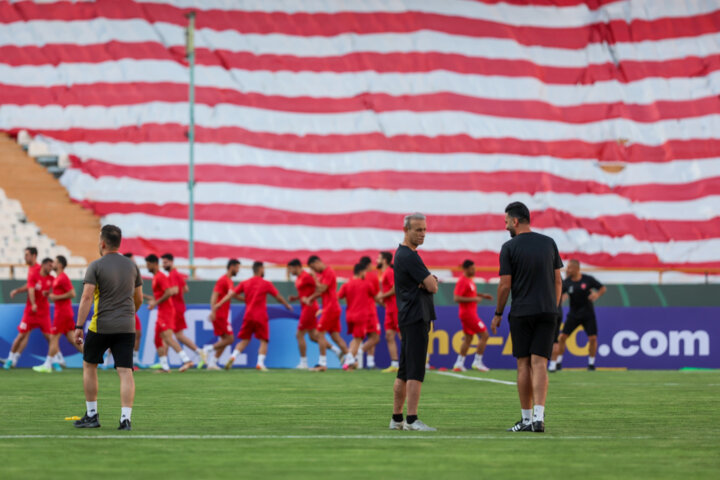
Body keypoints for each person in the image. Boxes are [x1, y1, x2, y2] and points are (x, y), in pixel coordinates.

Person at [491, 202, 562, 433]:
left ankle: (526, 419)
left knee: (523, 364)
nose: (505, 227)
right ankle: (539, 418)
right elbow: (557, 280)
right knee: (540, 363)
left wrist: (498, 313)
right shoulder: (549, 243)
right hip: (548, 310)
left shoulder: (509, 247)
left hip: (522, 311)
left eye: (506, 222)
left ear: (515, 221)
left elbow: (504, 286)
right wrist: (554, 305)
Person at [73, 225, 143, 430]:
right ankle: (125, 419)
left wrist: (78, 326)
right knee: (125, 371)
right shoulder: (132, 266)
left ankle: (92, 415)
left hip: (101, 325)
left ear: (103, 243)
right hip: (126, 325)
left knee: (89, 365)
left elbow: (86, 297)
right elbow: (138, 298)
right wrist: (129, 315)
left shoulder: (96, 266)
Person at [390, 213, 438, 432]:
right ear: (405, 230)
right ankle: (411, 420)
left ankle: (397, 418)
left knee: (404, 370)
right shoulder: (409, 256)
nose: (423, 234)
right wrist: (429, 281)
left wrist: (428, 282)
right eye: (418, 229)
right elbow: (433, 286)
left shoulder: (403, 255)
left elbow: (428, 283)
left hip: (408, 316)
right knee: (415, 370)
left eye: (425, 229)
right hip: (416, 316)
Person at [223, 261, 293, 371]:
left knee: (244, 340)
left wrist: (219, 304)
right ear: (260, 269)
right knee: (264, 340)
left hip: (248, 315)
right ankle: (260, 363)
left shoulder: (245, 283)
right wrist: (287, 305)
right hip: (260, 315)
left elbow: (232, 294)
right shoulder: (266, 283)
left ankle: (233, 356)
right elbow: (278, 296)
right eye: (263, 269)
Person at [550, 259, 606, 372]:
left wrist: (596, 295)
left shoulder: (588, 279)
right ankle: (559, 362)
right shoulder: (567, 282)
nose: (568, 269)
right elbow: (561, 294)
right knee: (562, 337)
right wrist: (561, 299)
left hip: (588, 314)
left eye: (570, 267)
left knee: (593, 338)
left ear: (576, 268)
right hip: (574, 315)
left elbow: (602, 288)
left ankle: (591, 364)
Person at [144, 254, 194, 373]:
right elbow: (161, 294)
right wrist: (146, 297)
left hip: (167, 310)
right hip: (162, 309)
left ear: (154, 264)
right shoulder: (156, 277)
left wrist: (155, 303)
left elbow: (169, 292)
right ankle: (165, 367)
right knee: (157, 338)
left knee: (167, 337)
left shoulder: (161, 276)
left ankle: (187, 360)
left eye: (148, 264)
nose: (147, 267)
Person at [4, 250, 52, 370]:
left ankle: (55, 359)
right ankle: (12, 359)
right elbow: (30, 287)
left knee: (49, 337)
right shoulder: (32, 270)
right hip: (31, 311)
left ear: (34, 255)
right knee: (23, 335)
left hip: (41, 311)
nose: (24, 257)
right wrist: (18, 291)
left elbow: (34, 287)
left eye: (26, 255)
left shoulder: (39, 270)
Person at [33, 255, 82, 373]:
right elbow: (59, 294)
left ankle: (47, 365)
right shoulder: (58, 278)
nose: (52, 264)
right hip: (64, 312)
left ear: (59, 265)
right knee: (72, 339)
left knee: (54, 337)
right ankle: (92, 358)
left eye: (54, 262)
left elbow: (72, 293)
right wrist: (49, 294)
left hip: (62, 313)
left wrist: (56, 297)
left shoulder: (63, 278)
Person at [305, 255, 353, 371]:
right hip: (331, 307)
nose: (314, 271)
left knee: (319, 334)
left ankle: (322, 364)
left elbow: (322, 289)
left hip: (330, 308)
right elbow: (322, 291)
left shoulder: (328, 272)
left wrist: (314, 278)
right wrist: (311, 298)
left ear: (317, 262)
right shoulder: (323, 274)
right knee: (335, 337)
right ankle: (350, 359)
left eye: (313, 267)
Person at [162, 253, 206, 368]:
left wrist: (164, 294)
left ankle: (164, 362)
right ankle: (200, 352)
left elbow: (175, 290)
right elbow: (185, 289)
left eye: (165, 262)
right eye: (163, 262)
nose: (163, 265)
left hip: (174, 308)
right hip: (179, 307)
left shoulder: (172, 275)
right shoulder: (177, 274)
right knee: (175, 335)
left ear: (171, 262)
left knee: (168, 334)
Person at [452, 259, 494, 372]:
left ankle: (459, 363)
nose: (474, 270)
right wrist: (474, 299)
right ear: (466, 269)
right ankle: (477, 362)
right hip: (468, 314)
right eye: (472, 268)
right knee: (485, 335)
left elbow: (471, 293)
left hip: (469, 313)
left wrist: (483, 295)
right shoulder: (462, 281)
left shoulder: (470, 281)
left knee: (468, 338)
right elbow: (456, 298)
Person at [338, 263, 376, 370]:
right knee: (358, 339)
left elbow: (339, 296)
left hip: (349, 315)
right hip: (361, 315)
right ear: (361, 272)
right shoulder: (366, 284)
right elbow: (374, 294)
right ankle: (348, 360)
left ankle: (350, 361)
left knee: (355, 339)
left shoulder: (346, 284)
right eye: (365, 272)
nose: (366, 274)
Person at [206, 259, 241, 370]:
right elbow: (228, 294)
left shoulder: (224, 280)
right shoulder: (226, 280)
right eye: (237, 267)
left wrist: (213, 309)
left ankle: (212, 363)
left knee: (224, 340)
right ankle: (206, 350)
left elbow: (216, 295)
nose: (238, 270)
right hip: (220, 315)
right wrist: (216, 308)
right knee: (230, 339)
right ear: (232, 267)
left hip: (221, 314)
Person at [287, 258, 320, 370]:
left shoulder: (306, 276)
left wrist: (310, 298)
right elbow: (304, 293)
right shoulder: (299, 278)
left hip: (310, 308)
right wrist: (296, 298)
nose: (290, 271)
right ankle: (337, 350)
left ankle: (304, 363)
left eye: (291, 268)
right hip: (306, 307)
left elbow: (319, 288)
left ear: (297, 267)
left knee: (299, 334)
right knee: (313, 337)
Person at [376, 251, 400, 373]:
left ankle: (412, 362)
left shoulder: (390, 272)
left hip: (396, 308)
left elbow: (395, 288)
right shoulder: (384, 273)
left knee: (403, 336)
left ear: (384, 260)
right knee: (389, 336)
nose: (376, 260)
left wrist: (382, 296)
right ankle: (395, 364)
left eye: (378, 258)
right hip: (389, 308)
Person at [123, 253, 146, 369]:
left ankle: (134, 359)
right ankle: (109, 360)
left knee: (137, 333)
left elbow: (138, 293)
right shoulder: (123, 275)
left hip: (131, 309)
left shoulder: (133, 274)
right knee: (119, 336)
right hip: (125, 309)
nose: (135, 262)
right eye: (133, 260)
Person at [358, 256, 381, 369]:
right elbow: (376, 295)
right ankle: (357, 353)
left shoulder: (356, 277)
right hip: (370, 311)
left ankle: (370, 362)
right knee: (374, 337)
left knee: (363, 336)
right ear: (368, 265)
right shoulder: (372, 276)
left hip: (357, 310)